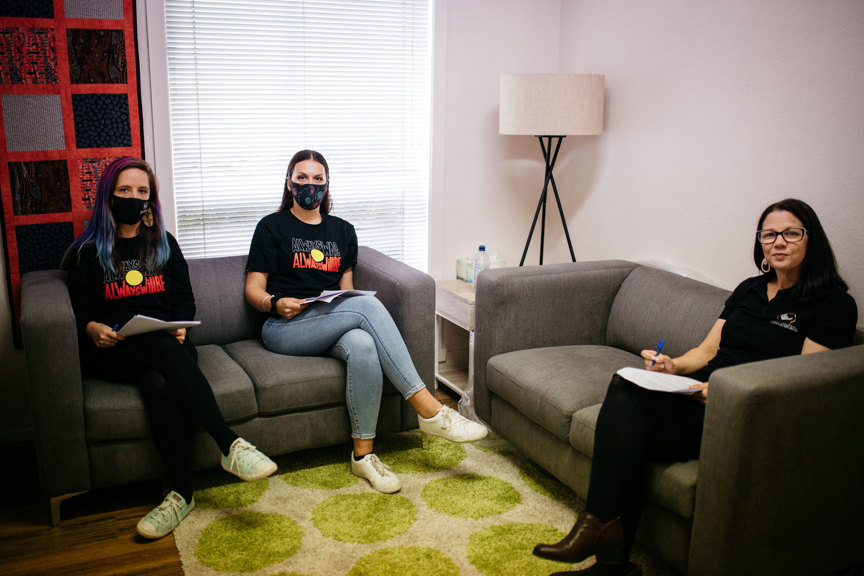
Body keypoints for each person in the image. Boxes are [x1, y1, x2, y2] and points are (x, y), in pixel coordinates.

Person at [532, 198, 858, 576]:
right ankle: (607, 552)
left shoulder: (833, 305)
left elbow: (802, 382)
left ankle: (600, 538)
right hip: (700, 396)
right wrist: (672, 366)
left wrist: (727, 392)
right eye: (769, 234)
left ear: (811, 239)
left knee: (628, 433)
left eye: (791, 233)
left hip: (745, 416)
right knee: (625, 389)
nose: (778, 242)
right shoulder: (750, 289)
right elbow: (706, 351)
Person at [244, 149, 488, 493]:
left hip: (329, 320)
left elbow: (346, 292)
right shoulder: (271, 227)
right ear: (289, 183)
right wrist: (274, 302)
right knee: (366, 308)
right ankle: (429, 408)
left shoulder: (342, 231)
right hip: (285, 327)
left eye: (317, 178)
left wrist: (345, 304)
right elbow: (252, 289)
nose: (310, 185)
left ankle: (363, 456)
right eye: (302, 178)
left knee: (363, 343)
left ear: (327, 184)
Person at [63, 157, 277, 540]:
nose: (134, 197)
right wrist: (93, 328)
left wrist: (179, 325)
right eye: (125, 190)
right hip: (114, 351)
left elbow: (183, 299)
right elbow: (81, 311)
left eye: (142, 191)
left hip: (169, 346)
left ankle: (181, 495)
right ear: (108, 196)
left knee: (159, 382)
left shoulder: (162, 243)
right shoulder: (87, 252)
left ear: (151, 199)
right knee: (158, 348)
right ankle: (229, 443)